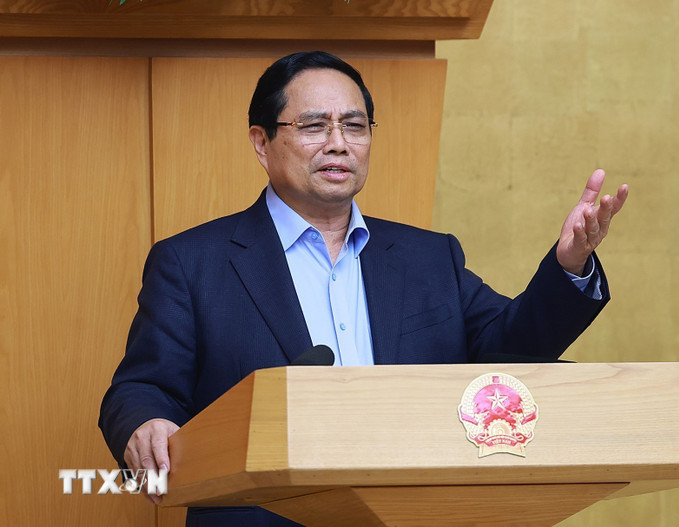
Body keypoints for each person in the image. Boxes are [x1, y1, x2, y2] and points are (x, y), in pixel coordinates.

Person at [99, 51, 628, 527]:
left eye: (354, 125)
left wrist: (570, 264)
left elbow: (512, 348)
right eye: (314, 125)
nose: (338, 143)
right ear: (262, 142)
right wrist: (146, 422)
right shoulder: (192, 262)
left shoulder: (428, 258)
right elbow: (141, 387)